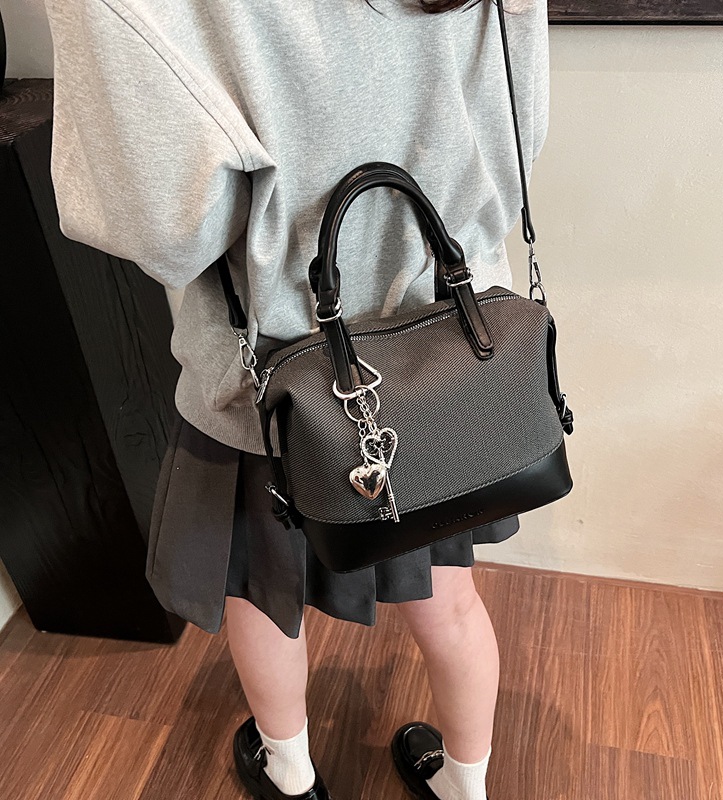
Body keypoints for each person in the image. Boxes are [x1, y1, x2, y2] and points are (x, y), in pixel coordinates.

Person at [43, 0, 550, 797]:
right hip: (446, 365)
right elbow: (518, 138)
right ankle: (465, 785)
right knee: (449, 600)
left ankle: (289, 773)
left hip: (278, 379)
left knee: (265, 595)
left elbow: (166, 231)